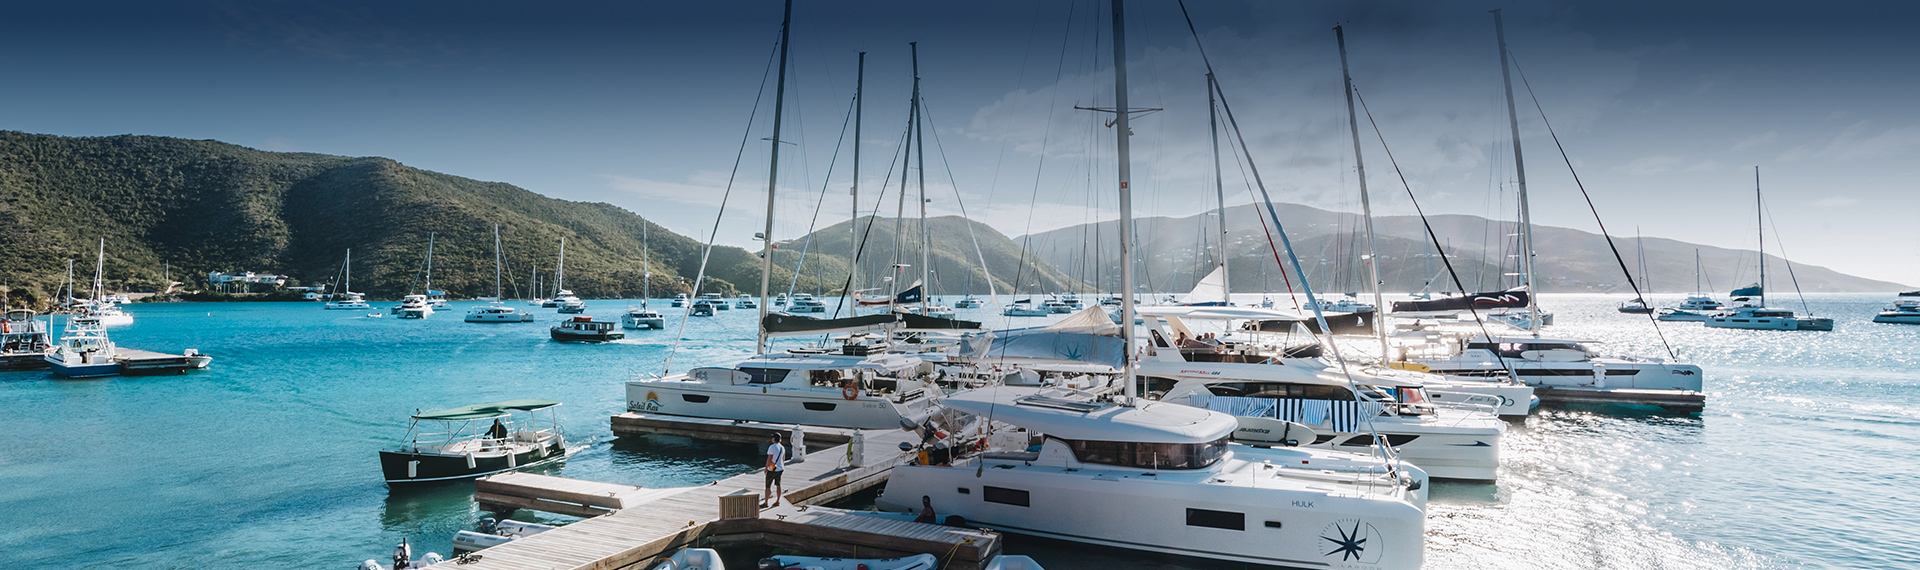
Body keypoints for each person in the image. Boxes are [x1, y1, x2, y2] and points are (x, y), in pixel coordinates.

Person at [762, 433, 786, 508]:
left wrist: (766, 468)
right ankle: (778, 501)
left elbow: (769, 459)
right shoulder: (782, 447)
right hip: (780, 468)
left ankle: (766, 502)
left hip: (772, 469)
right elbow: (783, 459)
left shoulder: (772, 447)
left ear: (774, 439)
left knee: (768, 486)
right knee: (778, 485)